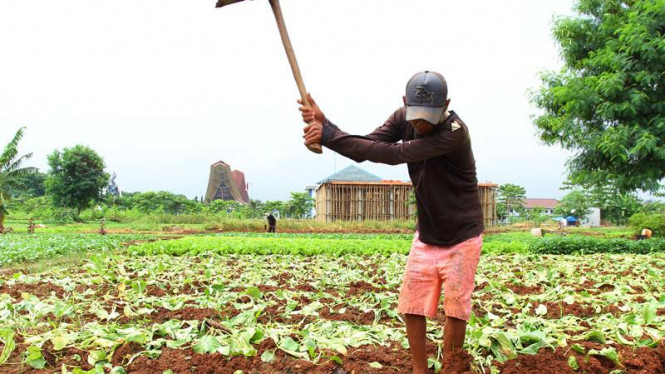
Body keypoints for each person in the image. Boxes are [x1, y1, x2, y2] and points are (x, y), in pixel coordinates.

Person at [299, 71, 484, 374]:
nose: (420, 124)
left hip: (462, 234)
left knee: (455, 309)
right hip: (427, 233)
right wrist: (326, 125)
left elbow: (392, 153)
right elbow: (368, 145)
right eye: (416, 116)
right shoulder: (403, 117)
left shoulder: (453, 132)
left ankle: (452, 369)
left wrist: (328, 134)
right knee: (412, 304)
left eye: (428, 117)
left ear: (446, 105)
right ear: (405, 103)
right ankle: (419, 371)